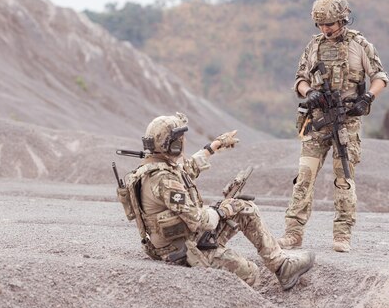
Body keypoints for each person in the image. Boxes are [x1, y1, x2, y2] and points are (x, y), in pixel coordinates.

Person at [126, 112, 314, 290]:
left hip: (188, 238)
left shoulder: (159, 167)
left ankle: (282, 265)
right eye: (179, 140)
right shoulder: (163, 179)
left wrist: (214, 146)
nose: (182, 144)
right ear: (170, 144)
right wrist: (221, 210)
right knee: (251, 273)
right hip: (184, 251)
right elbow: (199, 220)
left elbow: (188, 169)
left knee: (245, 209)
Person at [279, 0, 389, 253]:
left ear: (342, 19)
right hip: (317, 120)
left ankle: (342, 234)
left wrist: (367, 99)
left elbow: (380, 77)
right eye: (321, 24)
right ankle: (293, 233)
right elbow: (299, 79)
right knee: (304, 177)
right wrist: (310, 93)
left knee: (344, 179)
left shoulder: (359, 45)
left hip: (347, 122)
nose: (325, 29)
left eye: (329, 24)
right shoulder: (314, 46)